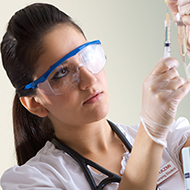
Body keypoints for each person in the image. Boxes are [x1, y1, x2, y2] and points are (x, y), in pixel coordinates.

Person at [0, 1, 190, 190]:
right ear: (35, 103)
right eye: (61, 73)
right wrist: (151, 134)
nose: (89, 80)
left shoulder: (173, 139)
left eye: (87, 56)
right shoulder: (31, 181)